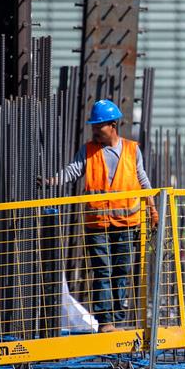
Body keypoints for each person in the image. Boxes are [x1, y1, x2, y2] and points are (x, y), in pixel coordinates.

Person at [54, 99, 158, 333]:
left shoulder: (132, 150)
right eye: (93, 126)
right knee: (102, 270)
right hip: (97, 224)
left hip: (126, 223)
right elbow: (73, 171)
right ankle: (106, 323)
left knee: (120, 272)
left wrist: (152, 208)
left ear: (112, 125)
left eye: (97, 126)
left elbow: (142, 180)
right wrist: (53, 181)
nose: (94, 131)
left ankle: (116, 320)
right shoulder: (89, 150)